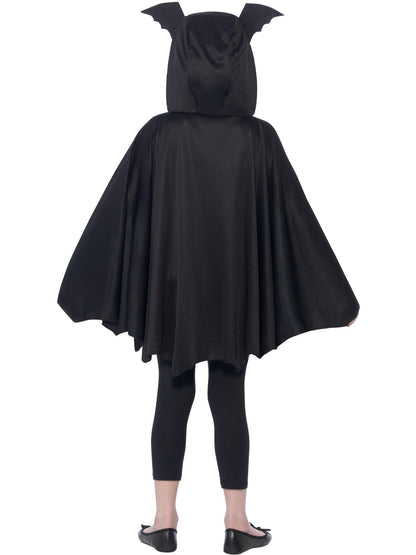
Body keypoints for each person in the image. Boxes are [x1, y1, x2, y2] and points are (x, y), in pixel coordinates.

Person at [57, 3, 360, 553]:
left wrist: (84, 283)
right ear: (243, 64)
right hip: (234, 292)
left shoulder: (159, 134)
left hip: (172, 294)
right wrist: (335, 296)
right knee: (229, 396)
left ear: (179, 61)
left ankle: (163, 521)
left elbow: (123, 210)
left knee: (171, 393)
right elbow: (292, 219)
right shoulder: (259, 138)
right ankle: (237, 523)